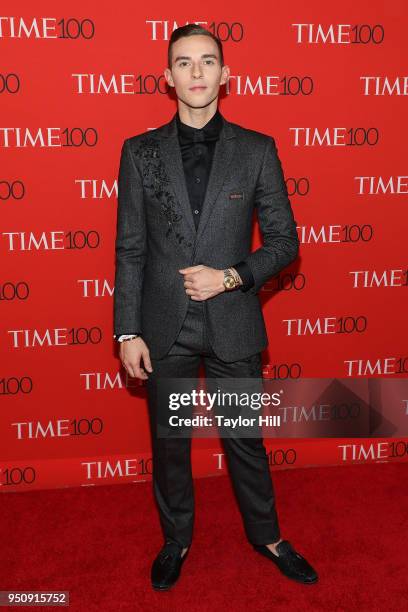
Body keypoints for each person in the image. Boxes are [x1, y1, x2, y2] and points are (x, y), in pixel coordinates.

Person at [113, 24, 318, 590]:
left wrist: (229, 276)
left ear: (226, 76)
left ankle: (269, 537)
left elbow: (283, 243)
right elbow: (130, 248)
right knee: (171, 445)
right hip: (164, 329)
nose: (197, 72)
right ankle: (176, 541)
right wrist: (127, 331)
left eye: (208, 62)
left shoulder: (257, 150)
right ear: (168, 77)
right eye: (184, 62)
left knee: (245, 441)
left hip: (232, 323)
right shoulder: (140, 152)